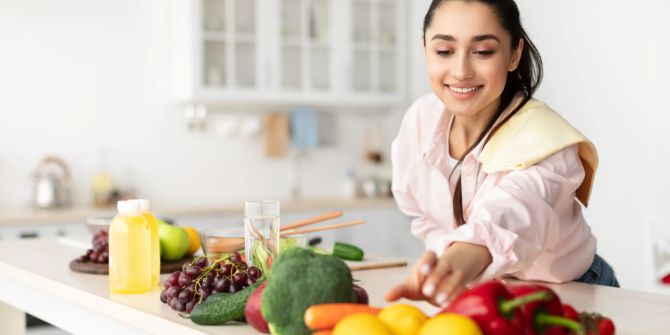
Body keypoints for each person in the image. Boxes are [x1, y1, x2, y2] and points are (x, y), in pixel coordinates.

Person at [385, 0, 619, 308]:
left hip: (571, 293)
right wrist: (449, 262)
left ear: (514, 54)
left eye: (483, 52)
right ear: (425, 48)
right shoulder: (420, 120)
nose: (461, 71)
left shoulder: (545, 138)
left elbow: (516, 210)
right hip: (487, 293)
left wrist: (466, 254)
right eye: (444, 51)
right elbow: (421, 214)